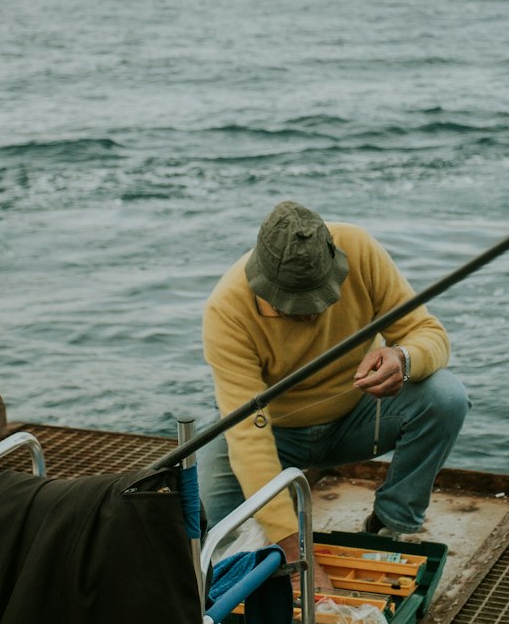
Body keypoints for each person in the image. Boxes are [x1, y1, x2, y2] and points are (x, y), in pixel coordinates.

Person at [199, 201, 469, 579]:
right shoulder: (226, 311)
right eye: (293, 306)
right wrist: (295, 553)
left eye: (321, 298)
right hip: (276, 437)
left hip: (360, 418)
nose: (310, 314)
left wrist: (404, 359)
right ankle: (269, 545)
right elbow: (248, 435)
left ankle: (391, 524)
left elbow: (428, 332)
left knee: (446, 397)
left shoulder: (359, 248)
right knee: (219, 534)